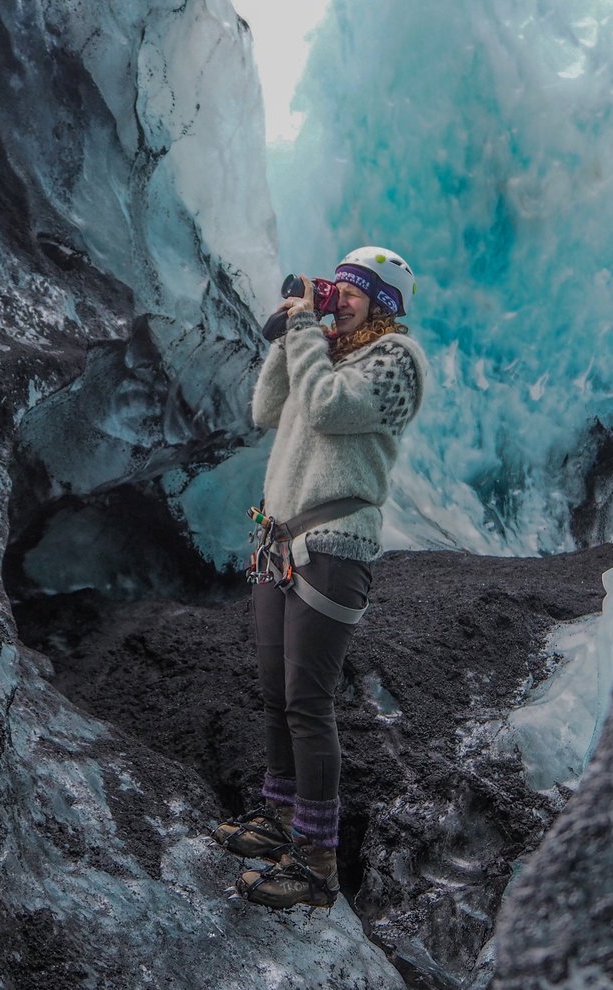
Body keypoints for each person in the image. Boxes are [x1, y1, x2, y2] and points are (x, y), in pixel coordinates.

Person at [212, 246, 429, 910]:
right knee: (277, 692)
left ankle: (316, 861)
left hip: (336, 547)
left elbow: (331, 409)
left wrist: (308, 328)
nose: (339, 296)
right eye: (336, 285)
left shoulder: (398, 363)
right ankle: (280, 815)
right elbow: (267, 407)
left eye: (353, 291)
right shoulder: (327, 353)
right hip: (279, 540)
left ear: (384, 304)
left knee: (309, 702)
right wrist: (291, 334)